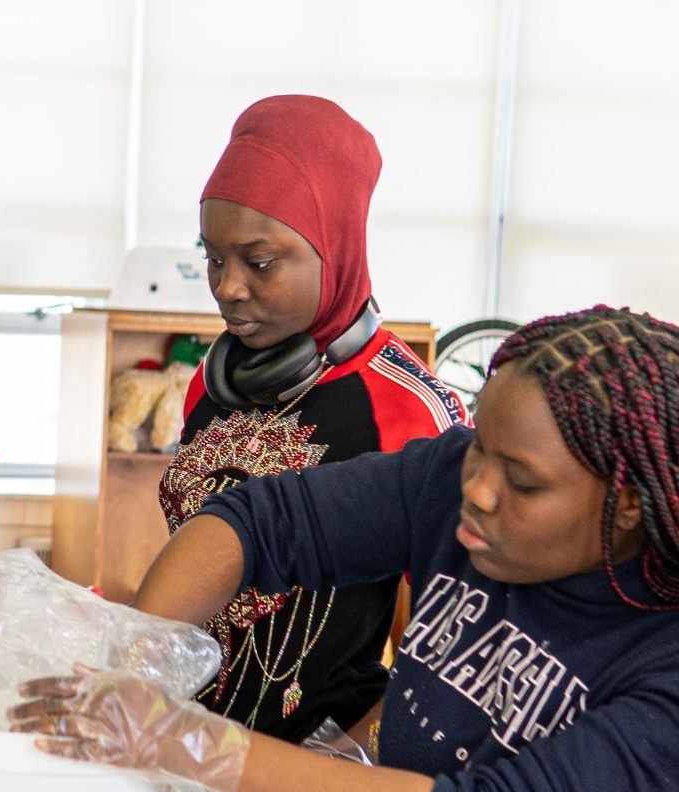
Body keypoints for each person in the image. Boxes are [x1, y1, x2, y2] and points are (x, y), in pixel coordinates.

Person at [15, 306, 679, 792]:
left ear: (626, 502)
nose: (477, 488)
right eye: (480, 449)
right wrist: (139, 659)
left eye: (524, 483)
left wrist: (191, 743)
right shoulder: (454, 482)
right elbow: (261, 523)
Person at [140, 95, 466, 742]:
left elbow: (444, 657)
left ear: (335, 247)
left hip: (311, 777)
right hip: (188, 751)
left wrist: (339, 766)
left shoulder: (413, 410)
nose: (228, 287)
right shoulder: (214, 378)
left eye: (259, 263)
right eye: (212, 258)